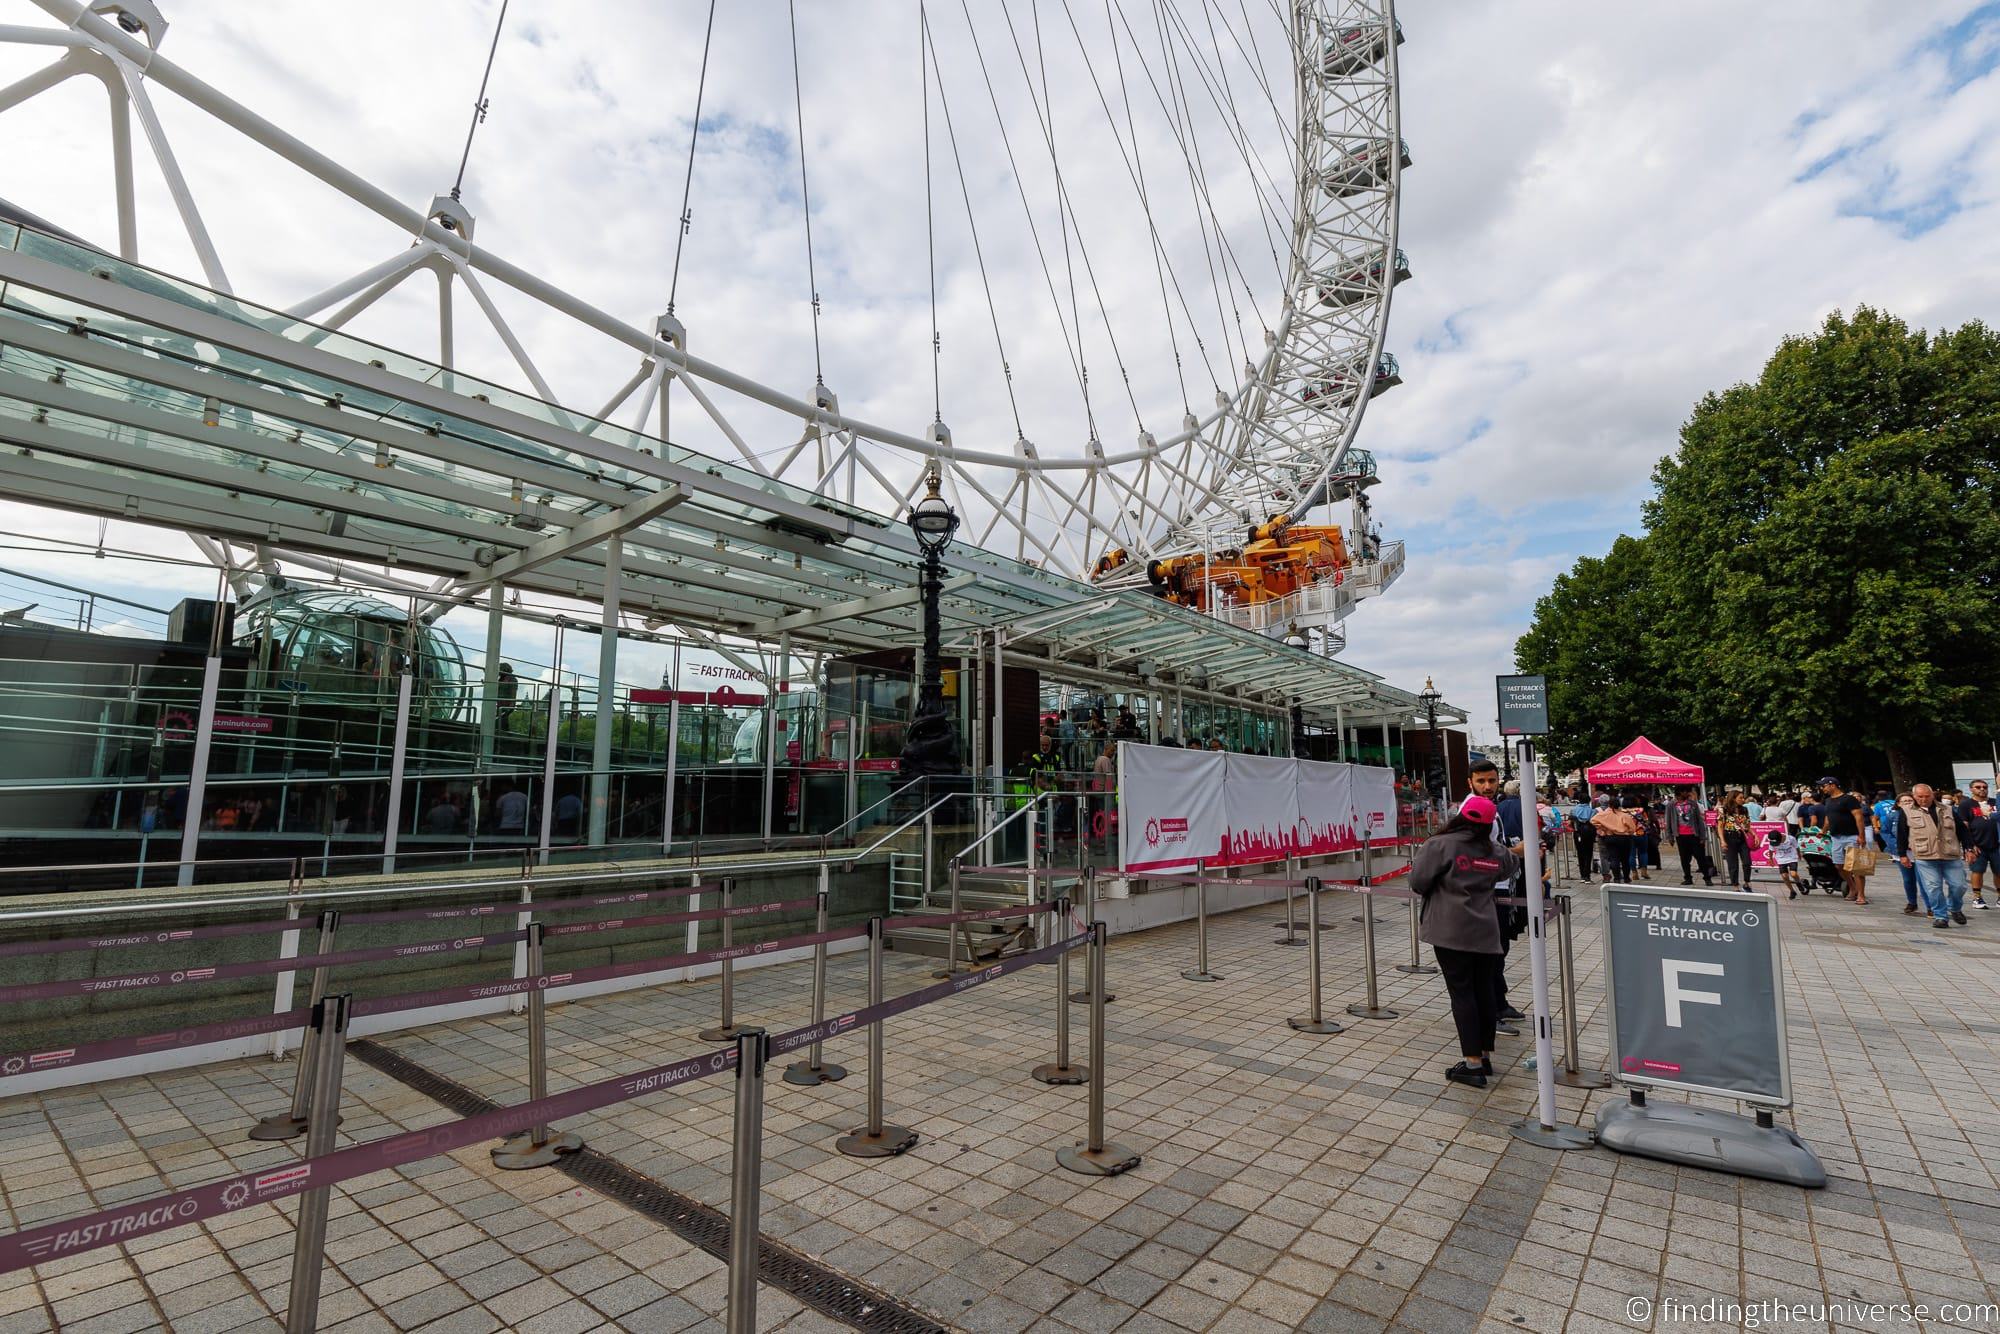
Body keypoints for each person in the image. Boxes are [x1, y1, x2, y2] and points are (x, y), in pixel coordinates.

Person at [1410, 795, 1518, 1089]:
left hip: (1450, 930)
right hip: (1485, 930)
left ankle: (1471, 1064)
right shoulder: (1494, 850)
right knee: (1484, 991)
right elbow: (1510, 866)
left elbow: (1418, 881)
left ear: (1460, 816)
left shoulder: (1439, 845)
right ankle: (1484, 1055)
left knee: (1462, 994)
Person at [1891, 784, 1970, 928]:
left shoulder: (1947, 809)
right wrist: (1902, 854)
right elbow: (1902, 834)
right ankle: (1940, 916)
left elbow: (1962, 830)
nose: (1923, 799)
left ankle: (1954, 908)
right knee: (1933, 887)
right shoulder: (1906, 811)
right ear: (1914, 796)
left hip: (1950, 854)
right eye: (1920, 797)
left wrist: (1969, 848)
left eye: (1927, 796)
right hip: (1925, 855)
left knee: (1959, 885)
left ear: (1932, 795)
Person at [1817, 776, 1867, 903]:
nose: (1822, 788)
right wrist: (1823, 831)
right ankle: (1852, 887)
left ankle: (1861, 895)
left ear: (1832, 785)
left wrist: (1861, 835)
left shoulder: (1849, 799)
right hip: (1836, 836)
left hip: (1851, 835)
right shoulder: (1828, 801)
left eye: (1823, 786)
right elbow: (1828, 817)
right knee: (1839, 865)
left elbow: (1858, 817)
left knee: (1856, 867)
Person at [1956, 779, 1996, 910]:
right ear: (1971, 789)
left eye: (1984, 787)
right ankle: (1977, 897)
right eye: (1978, 787)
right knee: (1977, 870)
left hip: (1996, 843)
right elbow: (1964, 826)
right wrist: (1970, 845)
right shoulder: (1966, 804)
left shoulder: (1994, 802)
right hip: (1977, 844)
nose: (1982, 789)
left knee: (1999, 871)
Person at [1668, 787, 1714, 886]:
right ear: (1680, 793)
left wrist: (1702, 836)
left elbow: (1699, 821)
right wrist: (1670, 836)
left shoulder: (1692, 804)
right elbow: (1668, 821)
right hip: (1680, 836)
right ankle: (1688, 878)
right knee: (1684, 859)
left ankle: (1707, 877)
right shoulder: (1671, 805)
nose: (1687, 793)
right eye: (1685, 791)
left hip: (1694, 835)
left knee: (1700, 857)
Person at [1884, 790, 1920, 915]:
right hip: (1901, 851)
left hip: (1920, 851)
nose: (1907, 803)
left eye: (1910, 801)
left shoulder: (1920, 814)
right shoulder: (1892, 816)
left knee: (1924, 879)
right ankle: (1912, 902)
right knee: (1908, 879)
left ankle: (1931, 905)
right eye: (1904, 801)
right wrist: (1896, 845)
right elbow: (1886, 832)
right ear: (1898, 803)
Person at [1591, 795, 1639, 884]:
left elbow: (1593, 820)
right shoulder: (1624, 815)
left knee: (1614, 858)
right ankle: (1626, 878)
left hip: (1610, 837)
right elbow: (1632, 828)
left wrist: (1603, 828)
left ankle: (1616, 878)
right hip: (1624, 838)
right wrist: (1628, 832)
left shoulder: (1604, 814)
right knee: (1625, 859)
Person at [1717, 791, 1754, 889]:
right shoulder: (1723, 810)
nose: (1743, 800)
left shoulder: (1744, 809)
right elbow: (1720, 826)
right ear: (1733, 798)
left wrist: (1754, 835)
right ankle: (1735, 884)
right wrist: (1722, 841)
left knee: (1747, 862)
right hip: (1729, 837)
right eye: (1740, 798)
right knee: (1733, 863)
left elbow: (1747, 825)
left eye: (1743, 798)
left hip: (1742, 837)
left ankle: (1747, 881)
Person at [1764, 826, 1800, 899]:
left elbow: (1796, 847)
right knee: (1784, 876)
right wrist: (1771, 859)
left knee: (1793, 874)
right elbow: (1771, 850)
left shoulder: (1790, 838)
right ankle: (1792, 891)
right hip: (1781, 859)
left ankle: (1799, 883)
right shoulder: (1772, 841)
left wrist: (1799, 855)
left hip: (1792, 857)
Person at [1568, 792, 1597, 882]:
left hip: (1578, 833)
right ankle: (1587, 875)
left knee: (1580, 853)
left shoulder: (1573, 810)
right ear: (1588, 801)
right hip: (1589, 834)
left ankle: (1582, 875)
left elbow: (1570, 823)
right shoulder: (1593, 811)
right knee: (1588, 854)